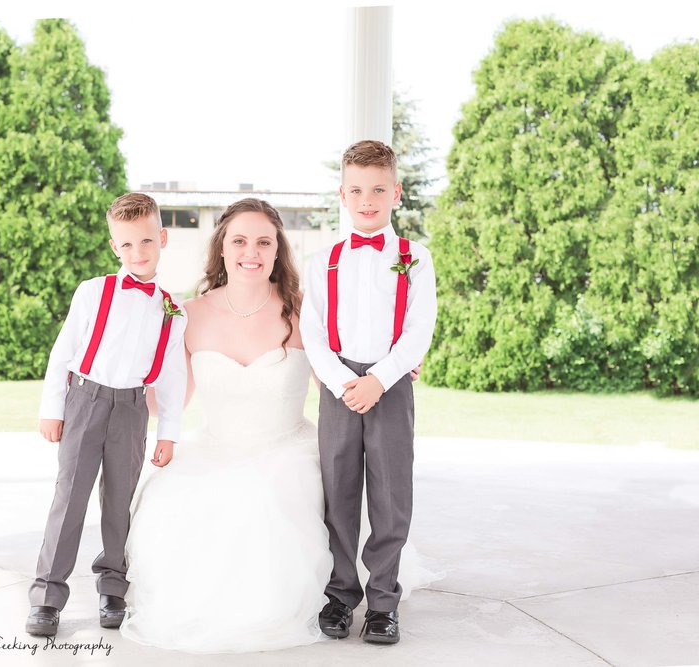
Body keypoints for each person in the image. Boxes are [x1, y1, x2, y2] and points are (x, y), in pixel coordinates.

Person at [119, 198, 434, 653]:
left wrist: (391, 368)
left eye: (264, 242)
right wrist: (127, 365)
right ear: (221, 247)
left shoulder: (306, 312)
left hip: (289, 449)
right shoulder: (187, 315)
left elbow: (344, 370)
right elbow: (170, 401)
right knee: (178, 505)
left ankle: (344, 595)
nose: (251, 251)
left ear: (277, 250)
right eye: (239, 241)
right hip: (216, 448)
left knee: (266, 502)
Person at [25, 193, 187, 637]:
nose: (138, 252)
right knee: (70, 498)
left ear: (162, 238)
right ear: (115, 246)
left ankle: (113, 586)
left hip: (133, 408)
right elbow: (63, 352)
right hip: (85, 401)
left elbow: (172, 377)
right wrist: (51, 408)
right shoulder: (93, 291)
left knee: (120, 501)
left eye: (146, 241)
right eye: (127, 244)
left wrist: (168, 433)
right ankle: (47, 595)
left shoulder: (173, 311)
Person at [300, 139, 438, 644]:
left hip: (391, 386)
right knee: (337, 494)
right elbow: (312, 331)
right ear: (342, 194)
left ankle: (383, 602)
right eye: (356, 190)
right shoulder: (323, 261)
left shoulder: (415, 259)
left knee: (390, 496)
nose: (367, 200)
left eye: (379, 189)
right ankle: (340, 596)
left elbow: (419, 328)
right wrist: (343, 383)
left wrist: (380, 379)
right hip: (339, 389)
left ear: (396, 193)